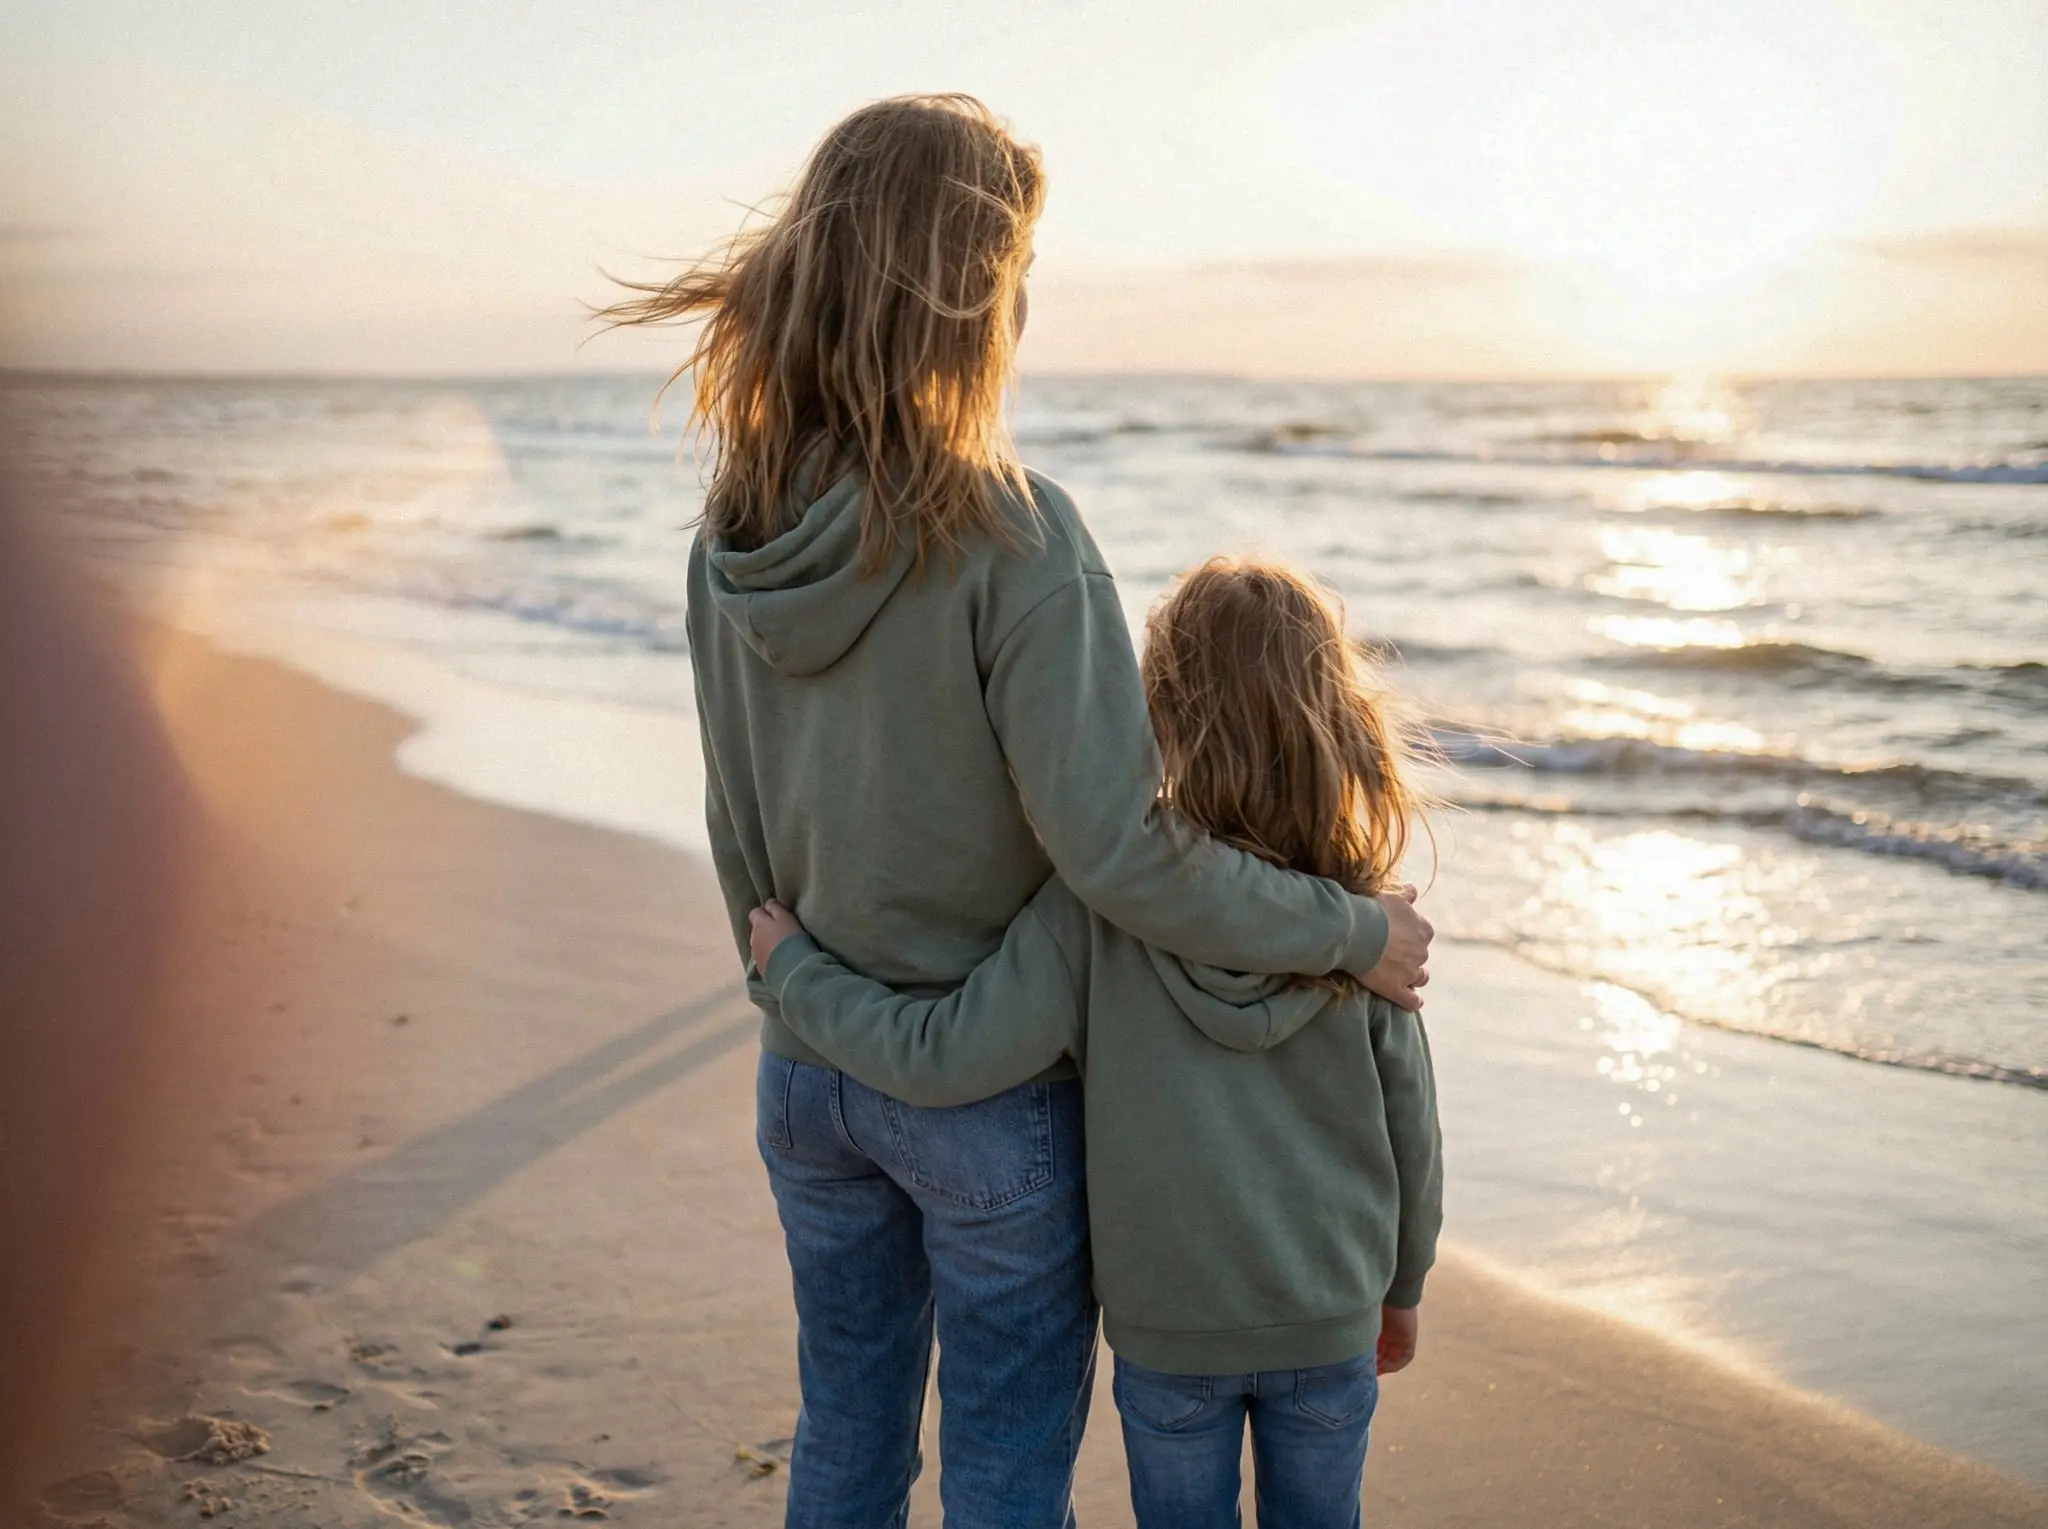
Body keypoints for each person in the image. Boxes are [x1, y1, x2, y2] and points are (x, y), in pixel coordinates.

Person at [598, 95, 1432, 1527]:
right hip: (988, 1106)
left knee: (847, 1435)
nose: (1030, 298)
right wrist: (1346, 926)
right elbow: (1122, 853)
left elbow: (737, 828)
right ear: (964, 289)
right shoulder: (1014, 534)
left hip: (805, 1068)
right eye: (1017, 264)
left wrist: (789, 983)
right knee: (1000, 1469)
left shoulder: (727, 540)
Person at [749, 556, 1443, 1529]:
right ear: (1333, 717)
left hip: (1169, 1338)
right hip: (1326, 1316)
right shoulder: (1368, 926)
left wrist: (794, 974)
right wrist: (1401, 1285)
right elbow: (1410, 1128)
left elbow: (940, 1055)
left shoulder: (1090, 912)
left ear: (1151, 711)